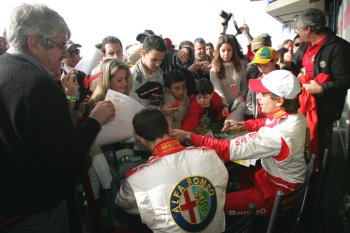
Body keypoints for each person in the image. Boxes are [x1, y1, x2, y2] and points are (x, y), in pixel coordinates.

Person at [0, 4, 115, 233]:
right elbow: (65, 153)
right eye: (61, 45)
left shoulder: (4, 68)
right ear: (34, 43)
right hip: (39, 211)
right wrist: (95, 119)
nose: (65, 53)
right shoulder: (38, 85)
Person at [171, 70, 307, 216]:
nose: (258, 96)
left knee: (212, 205)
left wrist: (190, 136)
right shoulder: (295, 116)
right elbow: (267, 121)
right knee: (239, 174)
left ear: (279, 100)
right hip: (277, 179)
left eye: (263, 93)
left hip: (276, 194)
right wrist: (243, 125)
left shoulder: (276, 135)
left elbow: (226, 149)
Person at [115, 108, 228, 232]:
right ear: (169, 126)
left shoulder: (136, 180)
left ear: (141, 139)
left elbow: (123, 202)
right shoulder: (209, 155)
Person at [284, 8, 350, 157]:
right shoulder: (303, 45)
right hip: (301, 106)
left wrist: (321, 88)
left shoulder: (339, 47)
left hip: (324, 111)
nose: (297, 32)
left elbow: (345, 80)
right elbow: (296, 68)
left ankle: (316, 175)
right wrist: (289, 63)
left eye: (298, 29)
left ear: (308, 29)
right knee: (301, 143)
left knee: (319, 148)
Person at [210, 34, 247, 122]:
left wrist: (242, 95)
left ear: (233, 51)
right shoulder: (214, 69)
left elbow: (244, 84)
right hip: (223, 107)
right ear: (218, 51)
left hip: (239, 105)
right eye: (223, 50)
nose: (226, 54)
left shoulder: (241, 64)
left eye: (229, 50)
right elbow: (218, 90)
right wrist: (225, 105)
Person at [129, 34, 167, 108]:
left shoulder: (159, 73)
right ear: (143, 54)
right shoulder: (130, 76)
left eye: (161, 60)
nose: (158, 64)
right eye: (154, 60)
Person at [245, 47, 278, 119]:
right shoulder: (257, 81)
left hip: (277, 116)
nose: (262, 69)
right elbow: (249, 99)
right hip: (261, 116)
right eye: (259, 66)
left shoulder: (281, 79)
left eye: (265, 65)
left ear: (275, 61)